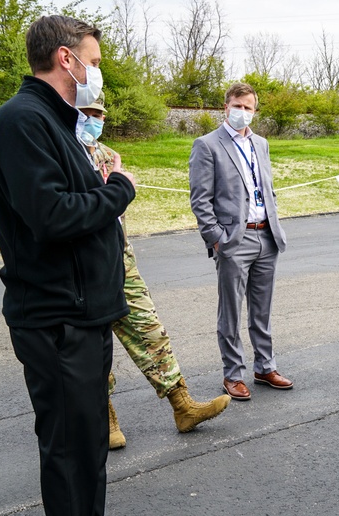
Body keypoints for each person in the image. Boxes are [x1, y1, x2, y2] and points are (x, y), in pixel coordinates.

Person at [0, 15, 152, 516]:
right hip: (54, 315)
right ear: (66, 59)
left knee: (88, 439)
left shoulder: (62, 124)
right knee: (67, 444)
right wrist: (118, 190)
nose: (97, 72)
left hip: (84, 310)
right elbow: (53, 217)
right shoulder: (22, 122)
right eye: (94, 60)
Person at [77, 101, 230, 448]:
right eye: (88, 112)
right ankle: (106, 419)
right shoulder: (62, 153)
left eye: (100, 114)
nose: (95, 119)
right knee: (93, 345)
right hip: (82, 265)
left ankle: (183, 406)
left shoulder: (106, 155)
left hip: (118, 256)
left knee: (150, 329)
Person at [189, 82, 292, 401]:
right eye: (237, 106)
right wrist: (217, 239)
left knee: (262, 310)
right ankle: (233, 374)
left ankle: (265, 366)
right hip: (234, 240)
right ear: (226, 107)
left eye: (248, 108)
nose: (242, 112)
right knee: (231, 311)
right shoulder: (207, 145)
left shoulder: (261, 143)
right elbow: (200, 199)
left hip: (266, 236)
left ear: (254, 111)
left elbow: (266, 187)